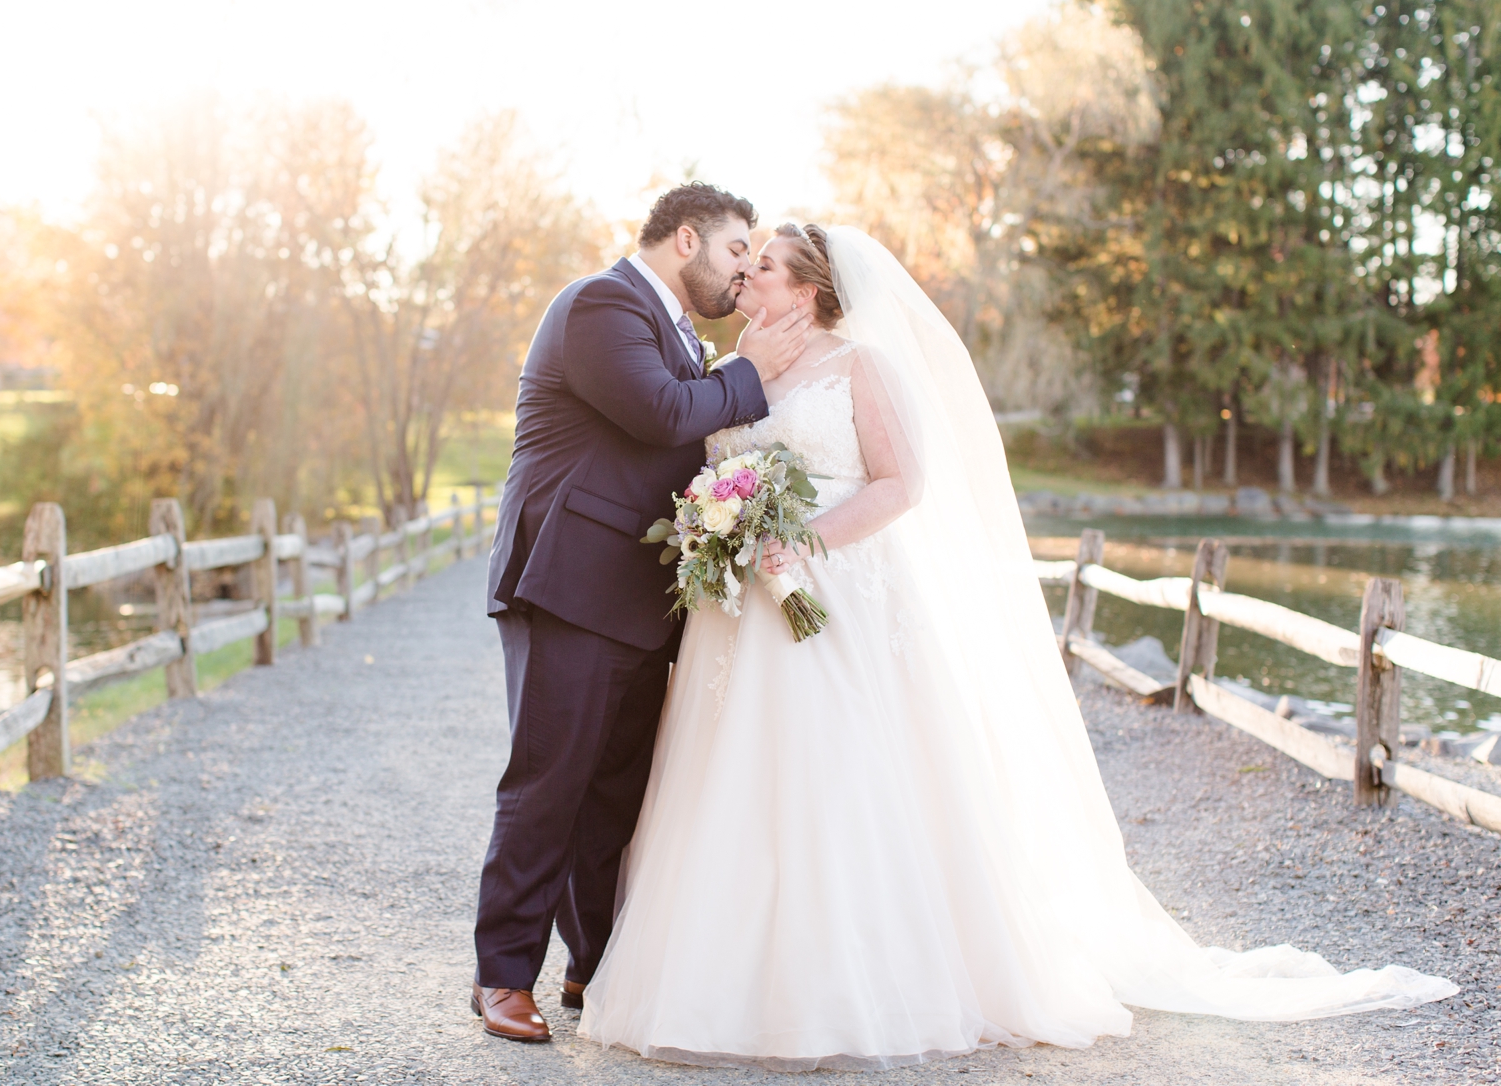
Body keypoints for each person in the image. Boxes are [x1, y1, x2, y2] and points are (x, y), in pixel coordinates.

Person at [575, 223, 1457, 1069]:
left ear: (807, 288)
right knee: (727, 783)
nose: (747, 276)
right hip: (744, 614)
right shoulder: (735, 370)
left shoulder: (860, 365)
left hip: (840, 596)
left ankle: (857, 988)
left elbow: (901, 484)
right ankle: (717, 986)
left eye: (764, 265)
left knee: (841, 779)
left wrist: (807, 541)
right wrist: (722, 526)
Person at [473, 183, 813, 1041]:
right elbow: (662, 412)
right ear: (686, 239)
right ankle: (503, 976)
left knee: (618, 793)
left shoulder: (677, 329)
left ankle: (597, 964)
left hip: (638, 596)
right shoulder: (601, 304)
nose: (744, 271)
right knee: (550, 780)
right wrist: (753, 374)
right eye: (739, 251)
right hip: (569, 582)